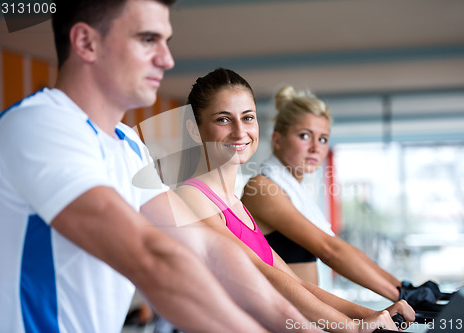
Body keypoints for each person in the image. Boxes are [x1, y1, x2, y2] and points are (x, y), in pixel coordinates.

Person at [0, 1, 316, 332]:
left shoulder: (127, 142)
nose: (167, 59)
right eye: (148, 39)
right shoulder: (39, 125)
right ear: (86, 43)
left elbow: (205, 249)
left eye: (166, 41)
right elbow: (152, 259)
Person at [173, 67, 415, 332]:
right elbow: (259, 273)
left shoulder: (236, 204)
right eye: (223, 119)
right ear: (194, 130)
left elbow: (295, 283)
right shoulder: (191, 197)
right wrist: (354, 327)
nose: (240, 131)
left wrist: (372, 314)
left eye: (248, 117)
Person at [241, 85, 441, 310]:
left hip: (300, 316)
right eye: (304, 136)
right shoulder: (262, 188)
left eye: (324, 139)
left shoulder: (295, 191)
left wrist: (404, 287)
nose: (316, 147)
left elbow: (339, 246)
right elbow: (329, 250)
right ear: (277, 140)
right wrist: (399, 295)